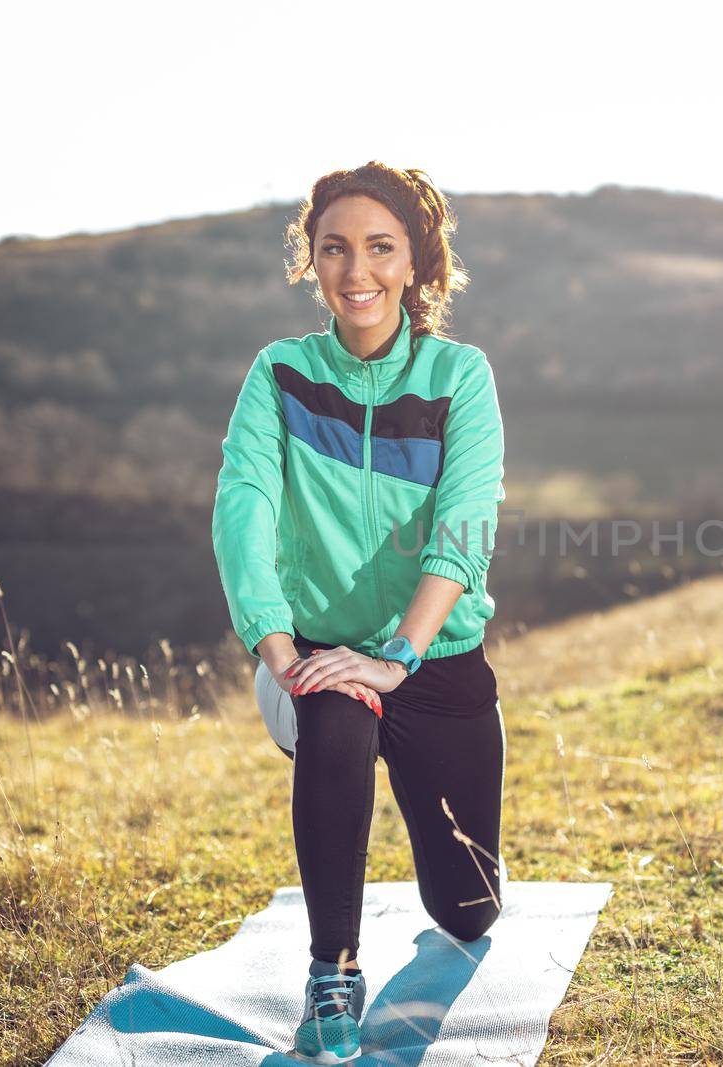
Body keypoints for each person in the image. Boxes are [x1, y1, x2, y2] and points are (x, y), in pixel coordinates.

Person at [211, 162, 508, 1063]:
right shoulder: (283, 374)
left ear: (417, 262)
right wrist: (278, 650)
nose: (356, 271)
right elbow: (243, 508)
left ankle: (447, 830)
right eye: (334, 248)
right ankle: (331, 969)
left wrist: (401, 655)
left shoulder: (460, 376)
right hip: (315, 651)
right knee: (335, 714)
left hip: (434, 661)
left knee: (468, 908)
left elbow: (463, 527)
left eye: (381, 247)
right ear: (311, 260)